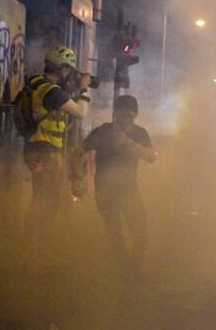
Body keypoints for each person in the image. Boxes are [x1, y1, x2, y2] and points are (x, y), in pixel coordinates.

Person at [81, 95, 156, 272]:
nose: (125, 119)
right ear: (115, 113)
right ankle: (122, 270)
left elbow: (152, 157)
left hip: (128, 189)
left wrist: (130, 144)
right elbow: (78, 152)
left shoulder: (139, 133)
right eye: (122, 114)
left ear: (135, 116)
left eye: (130, 115)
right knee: (115, 233)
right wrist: (77, 178)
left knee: (140, 231)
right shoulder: (102, 132)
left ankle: (132, 264)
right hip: (104, 191)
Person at [23, 45, 92, 233]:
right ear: (63, 69)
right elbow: (80, 112)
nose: (70, 76)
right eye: (69, 71)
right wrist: (84, 89)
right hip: (46, 151)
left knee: (40, 196)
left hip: (36, 148)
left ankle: (31, 241)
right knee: (48, 199)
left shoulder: (37, 84)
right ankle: (36, 241)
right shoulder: (52, 92)